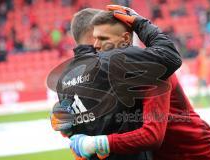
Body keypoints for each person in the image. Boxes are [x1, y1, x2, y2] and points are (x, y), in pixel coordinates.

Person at [68, 5, 210, 160]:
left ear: (124, 39)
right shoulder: (110, 72)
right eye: (94, 39)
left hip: (198, 154)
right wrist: (69, 121)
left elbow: (151, 135)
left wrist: (98, 143)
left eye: (102, 38)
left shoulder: (149, 69)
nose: (96, 46)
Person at [48, 6, 181, 160]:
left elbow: (68, 130)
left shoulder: (63, 79)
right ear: (95, 33)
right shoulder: (114, 60)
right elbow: (170, 55)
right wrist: (140, 23)